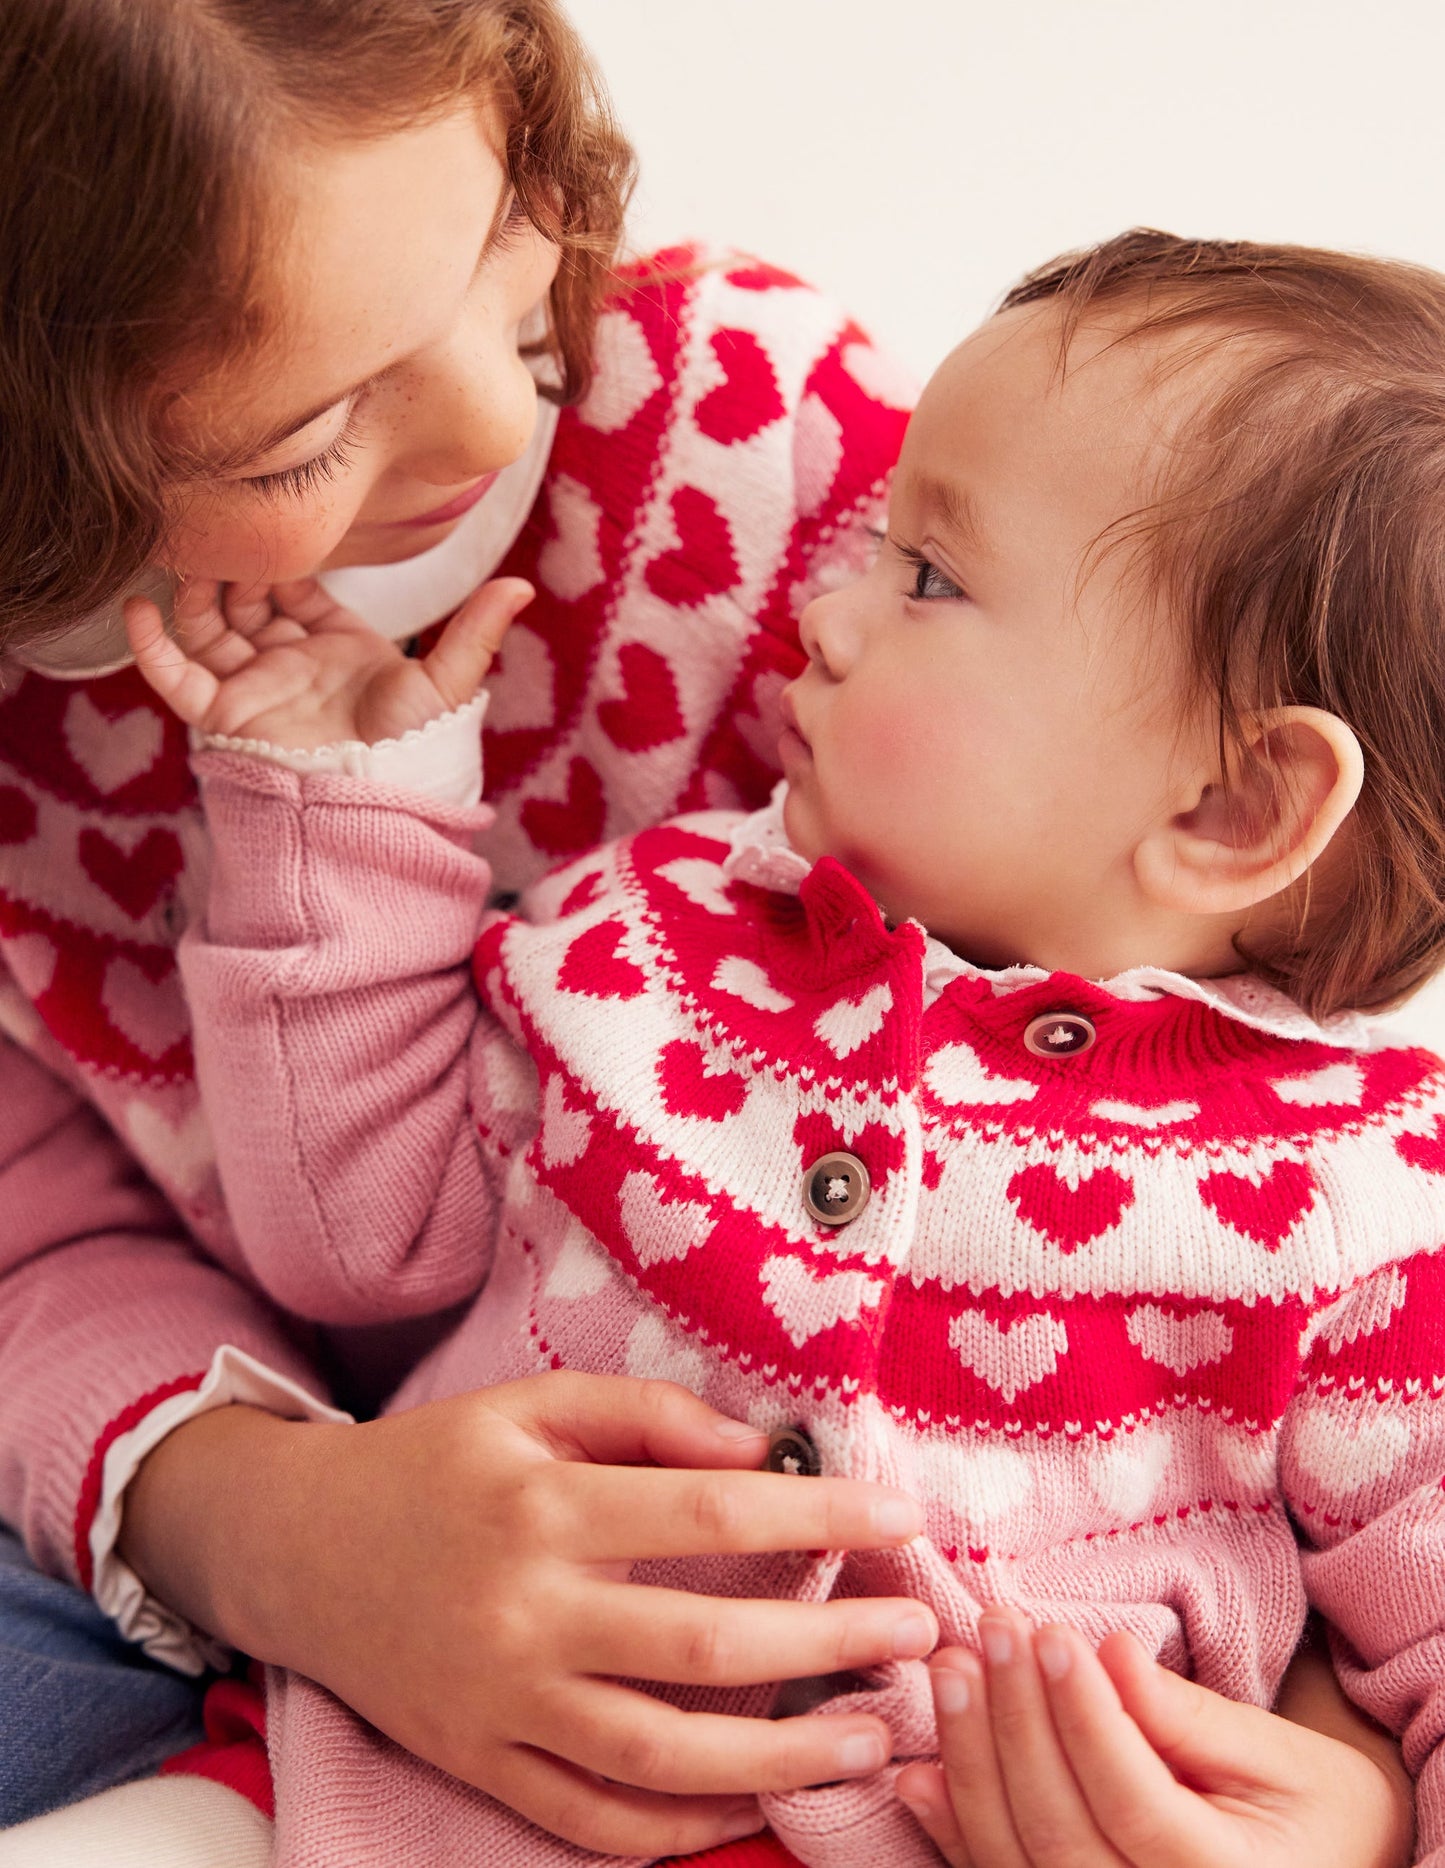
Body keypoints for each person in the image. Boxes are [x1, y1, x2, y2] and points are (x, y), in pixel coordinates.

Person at [121, 228, 1445, 1868]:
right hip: (392, 1796)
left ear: (1232, 807)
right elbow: (358, 1240)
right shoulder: (659, 940)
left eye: (928, 577)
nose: (822, 616)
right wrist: (337, 804)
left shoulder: (1367, 1202)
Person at [0, 1, 941, 1858]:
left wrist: (1326, 1747)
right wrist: (292, 1543)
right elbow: (32, 1267)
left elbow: (1182, 1046)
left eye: (506, 242)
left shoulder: (752, 452)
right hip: (207, 1509)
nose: (501, 411)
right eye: (303, 435)